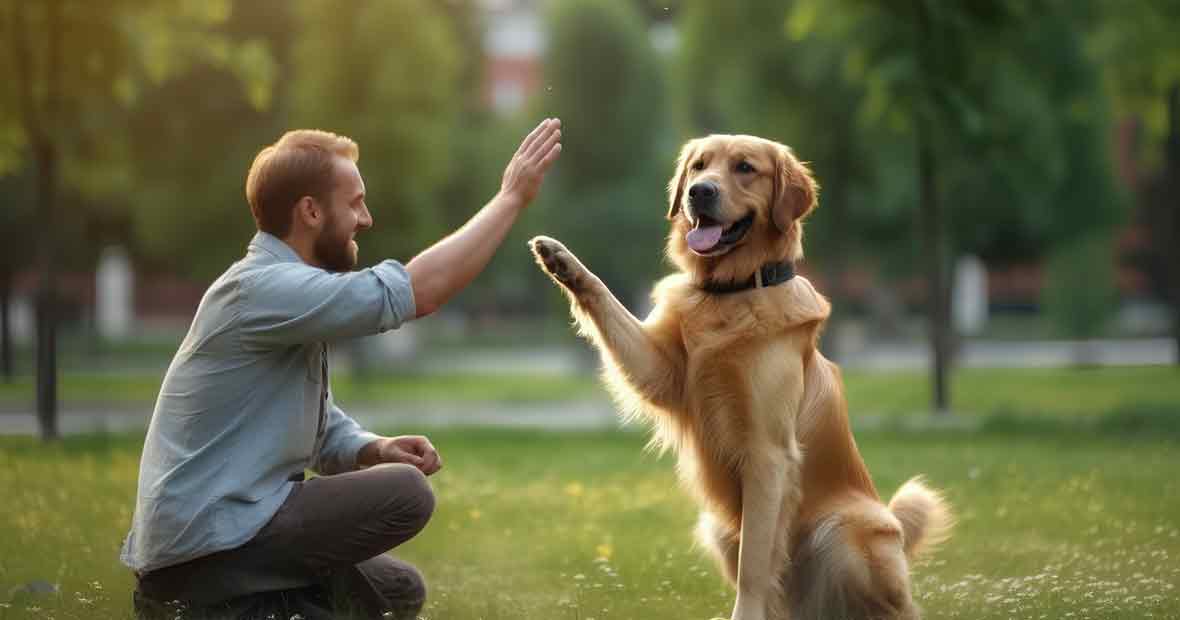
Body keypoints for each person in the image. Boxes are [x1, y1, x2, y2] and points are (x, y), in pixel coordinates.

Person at [123, 119, 563, 619]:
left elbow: (315, 422)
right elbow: (416, 292)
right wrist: (510, 199)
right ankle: (230, 605)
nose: (367, 218)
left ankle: (271, 604)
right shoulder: (260, 289)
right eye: (354, 202)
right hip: (203, 547)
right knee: (407, 493)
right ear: (310, 211)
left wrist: (374, 448)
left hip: (233, 532)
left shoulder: (284, 293)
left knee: (398, 590)